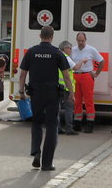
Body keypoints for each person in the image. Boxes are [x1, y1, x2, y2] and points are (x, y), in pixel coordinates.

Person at [19, 26, 71, 172]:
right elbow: (66, 75)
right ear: (52, 37)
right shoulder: (57, 53)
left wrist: (21, 91)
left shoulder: (32, 52)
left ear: (40, 35)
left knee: (36, 122)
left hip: (36, 93)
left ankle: (36, 151)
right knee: (52, 126)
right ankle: (47, 164)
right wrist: (71, 93)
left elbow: (23, 74)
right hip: (52, 95)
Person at [70, 32, 103, 133]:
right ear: (76, 40)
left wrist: (96, 73)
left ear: (85, 40)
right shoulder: (73, 50)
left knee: (88, 100)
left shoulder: (91, 49)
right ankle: (77, 123)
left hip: (86, 76)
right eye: (79, 41)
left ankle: (90, 123)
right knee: (77, 101)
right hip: (75, 75)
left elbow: (102, 61)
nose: (81, 42)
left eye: (82, 41)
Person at [57, 40, 84, 135]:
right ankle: (69, 129)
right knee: (69, 108)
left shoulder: (56, 56)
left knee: (57, 109)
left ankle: (58, 128)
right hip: (66, 88)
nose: (71, 50)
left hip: (57, 87)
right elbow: (76, 68)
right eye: (70, 48)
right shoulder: (66, 58)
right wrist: (82, 61)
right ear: (65, 49)